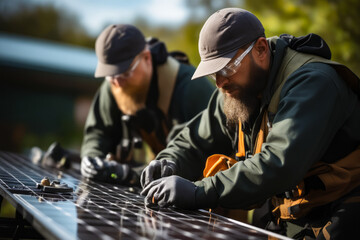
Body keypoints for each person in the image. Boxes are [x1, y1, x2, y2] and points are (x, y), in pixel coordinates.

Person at [140, 8, 360, 239]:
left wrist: (199, 192)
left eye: (227, 68)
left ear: (261, 49)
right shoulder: (233, 90)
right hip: (289, 208)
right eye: (214, 74)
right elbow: (194, 141)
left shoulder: (313, 82)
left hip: (341, 207)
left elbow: (278, 164)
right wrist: (169, 160)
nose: (220, 83)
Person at [80, 24, 215, 186]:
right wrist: (92, 158)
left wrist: (130, 174)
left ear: (146, 58)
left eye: (125, 72)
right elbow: (98, 132)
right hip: (158, 183)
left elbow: (193, 155)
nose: (117, 82)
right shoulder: (115, 84)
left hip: (205, 191)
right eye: (110, 75)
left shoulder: (191, 87)